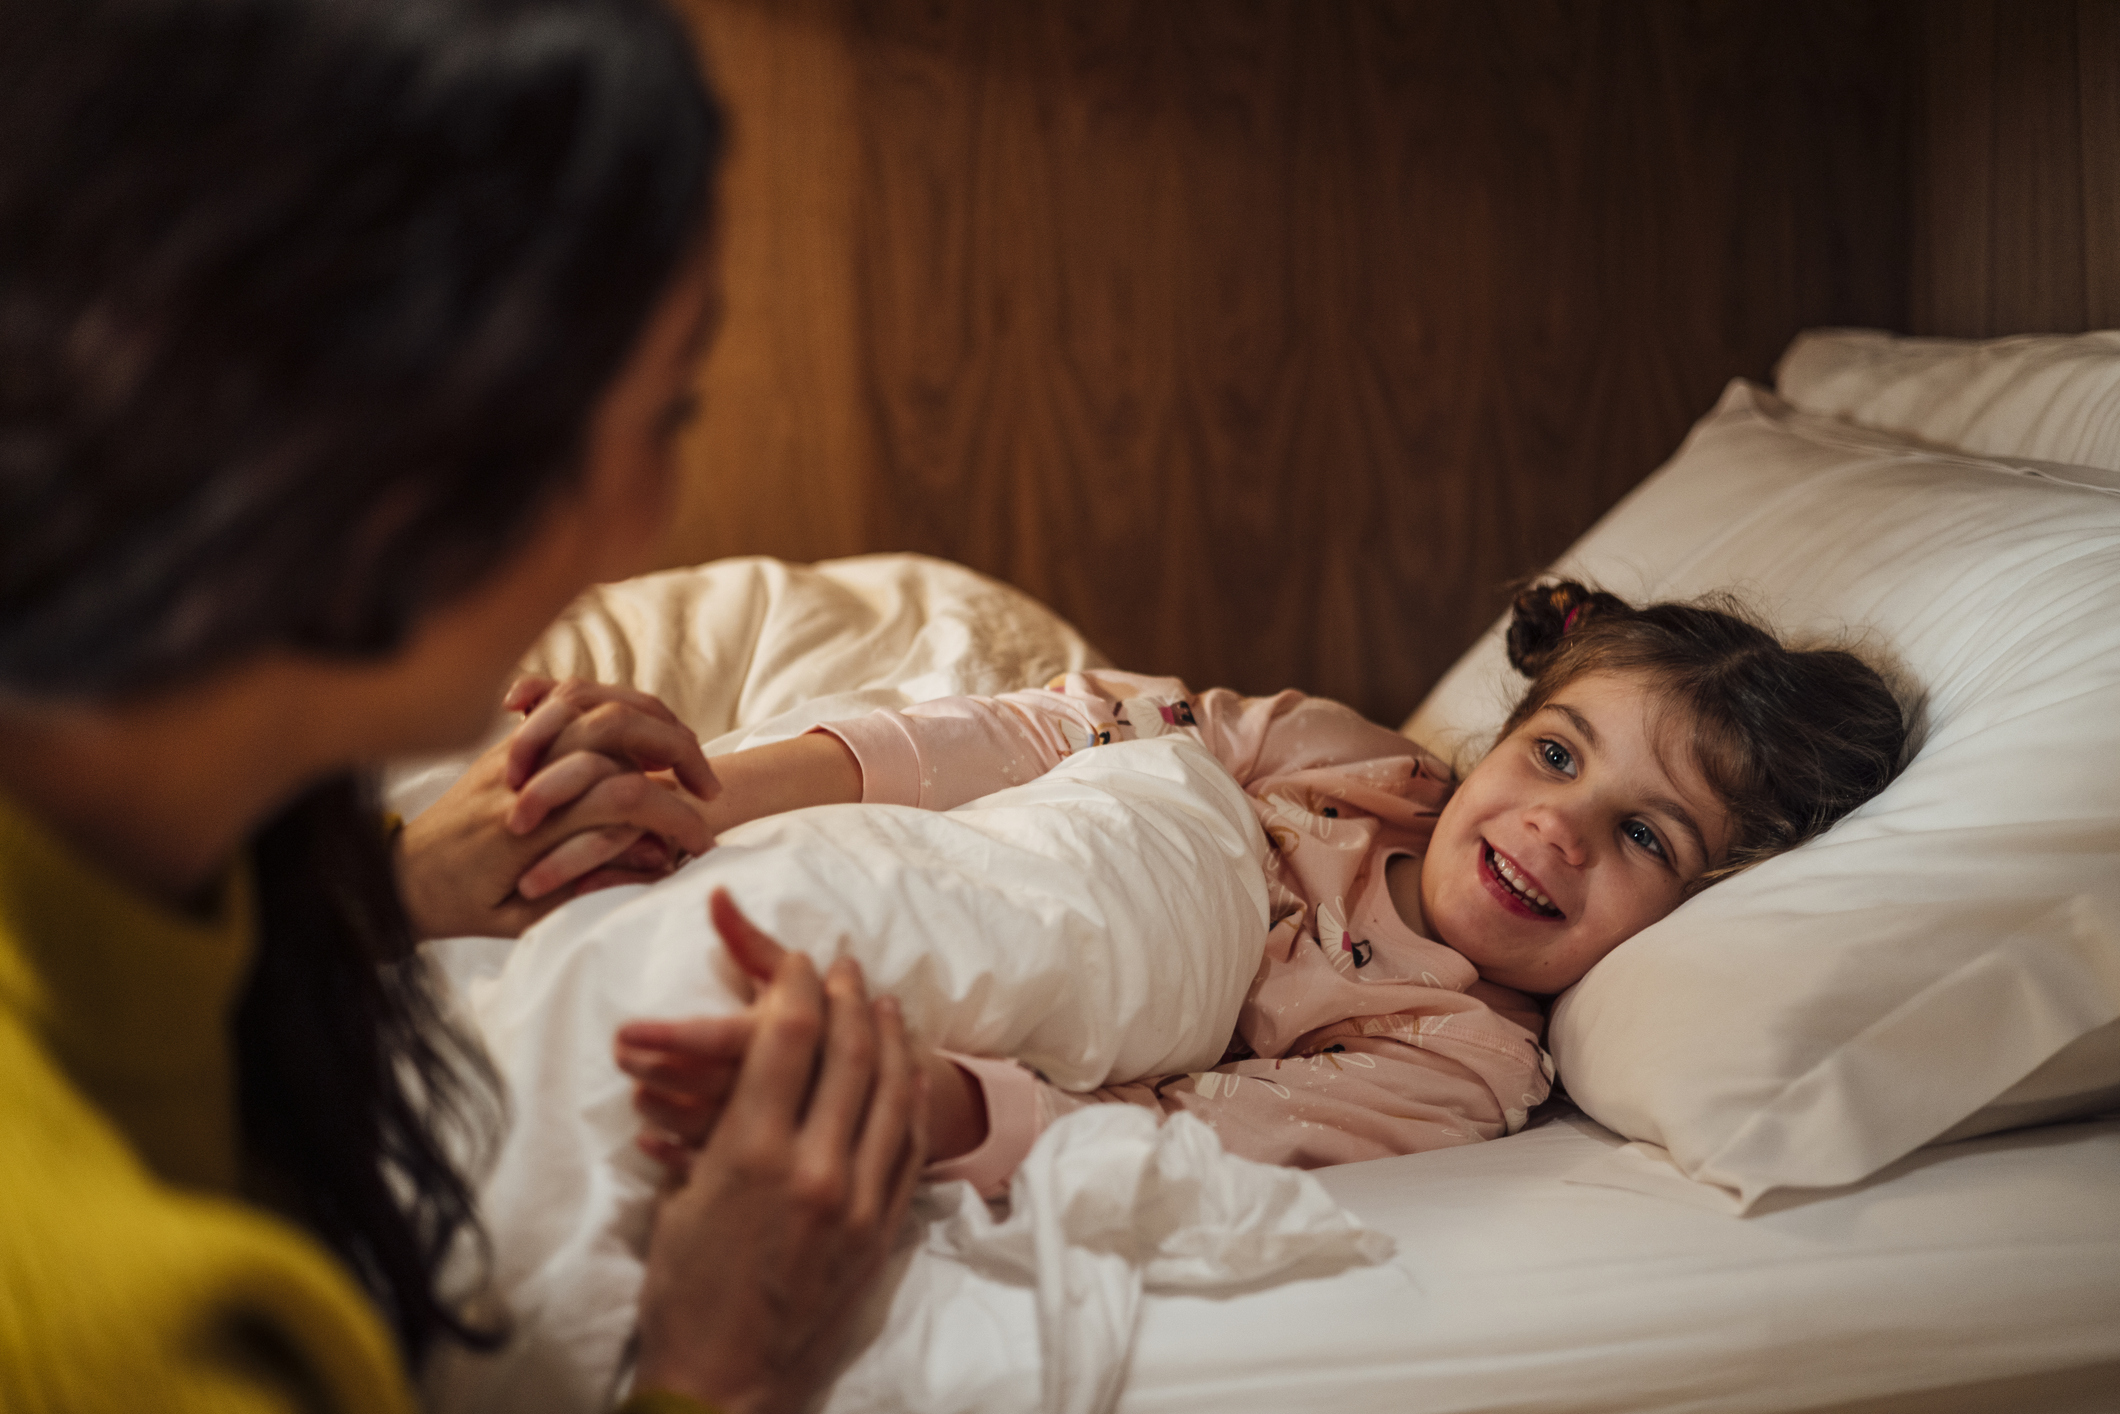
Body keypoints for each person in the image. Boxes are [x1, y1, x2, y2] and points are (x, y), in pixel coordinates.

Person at [0, 2, 921, 1412]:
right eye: (667, 413)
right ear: (405, 487)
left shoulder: (154, 839)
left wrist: (388, 880)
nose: (651, 520)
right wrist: (718, 1372)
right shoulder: (138, 1331)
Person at [591, 580, 1908, 1194]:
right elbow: (1060, 731)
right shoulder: (1353, 761)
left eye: (1646, 838)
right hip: (996, 829)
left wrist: (931, 1108)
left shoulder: (1464, 1054)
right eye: (1556, 756)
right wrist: (734, 788)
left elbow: (1185, 1137)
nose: (1561, 828)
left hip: (1036, 986)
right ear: (1499, 739)